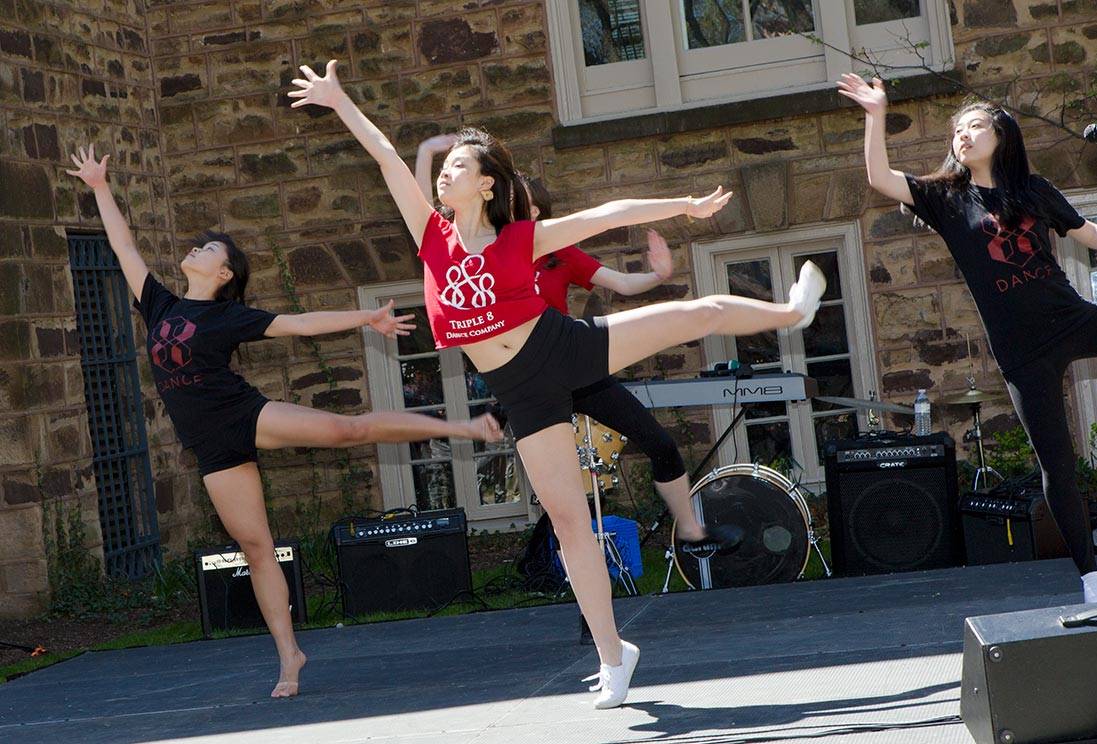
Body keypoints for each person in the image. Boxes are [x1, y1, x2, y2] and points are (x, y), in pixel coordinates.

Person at [290, 60, 825, 708]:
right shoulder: (431, 237)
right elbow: (383, 156)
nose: (444, 173)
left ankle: (791, 311)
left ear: (486, 184)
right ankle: (614, 656)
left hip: (563, 347)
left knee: (697, 315)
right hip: (522, 390)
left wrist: (684, 205)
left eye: (458, 165)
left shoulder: (522, 238)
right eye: (445, 167)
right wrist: (338, 99)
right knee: (570, 524)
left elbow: (609, 212)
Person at [67, 145, 504, 698]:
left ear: (223, 273)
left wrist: (366, 318)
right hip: (210, 446)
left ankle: (462, 428)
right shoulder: (159, 304)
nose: (195, 248)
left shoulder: (228, 315)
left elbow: (299, 324)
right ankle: (290, 655)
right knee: (256, 548)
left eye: (208, 249)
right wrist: (100, 186)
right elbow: (123, 245)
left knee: (351, 430)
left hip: (244, 415)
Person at [837, 74, 1097, 604]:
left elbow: (1092, 234)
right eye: (956, 131)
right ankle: (1091, 579)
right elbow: (880, 177)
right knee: (1058, 465)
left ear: (1000, 136)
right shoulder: (944, 197)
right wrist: (875, 115)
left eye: (974, 126)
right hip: (1022, 353)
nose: (962, 136)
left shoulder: (1033, 190)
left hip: (1072, 320)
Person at [417, 135, 742, 556]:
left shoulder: (555, 251)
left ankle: (691, 530)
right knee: (567, 498)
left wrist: (656, 277)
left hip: (571, 363)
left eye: (531, 206)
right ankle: (568, 577)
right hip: (525, 379)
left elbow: (621, 281)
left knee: (657, 441)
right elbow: (428, 221)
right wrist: (426, 154)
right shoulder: (471, 248)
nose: (525, 210)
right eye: (519, 202)